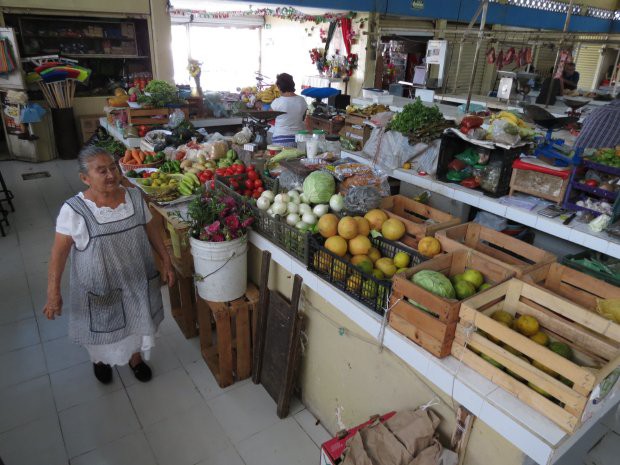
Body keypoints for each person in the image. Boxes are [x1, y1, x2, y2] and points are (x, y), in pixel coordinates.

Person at [43, 146, 175, 384]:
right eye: (101, 171)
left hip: (136, 277)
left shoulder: (134, 196)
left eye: (113, 167)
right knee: (104, 326)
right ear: (85, 178)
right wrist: (53, 293)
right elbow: (58, 254)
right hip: (99, 284)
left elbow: (152, 228)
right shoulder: (74, 210)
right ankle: (101, 361)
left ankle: (135, 359)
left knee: (136, 318)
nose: (111, 175)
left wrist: (166, 260)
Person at [269, 73, 308, 147]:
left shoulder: (277, 102)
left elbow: (269, 117)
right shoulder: (302, 100)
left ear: (280, 86)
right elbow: (303, 118)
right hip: (299, 139)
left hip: (280, 139)